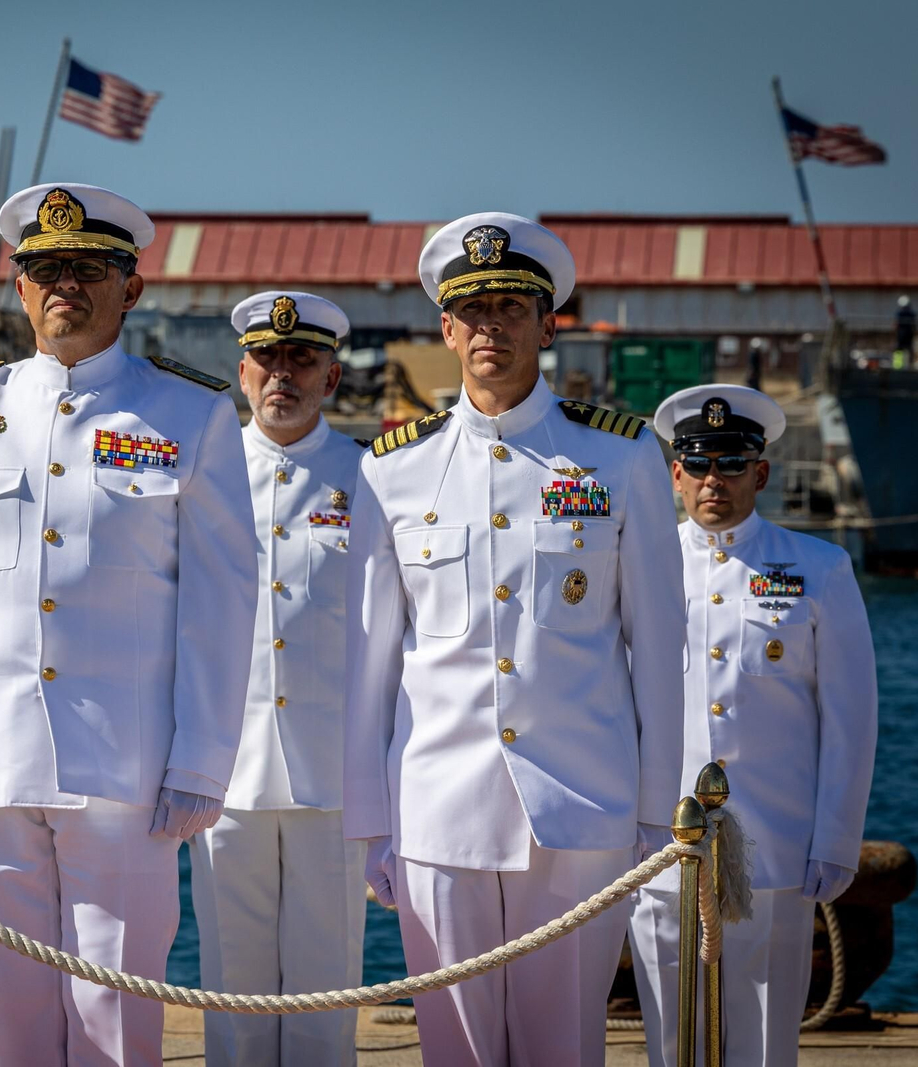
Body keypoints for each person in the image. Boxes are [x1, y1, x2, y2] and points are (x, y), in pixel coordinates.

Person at [0, 183, 257, 1067]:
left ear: (130, 287)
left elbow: (222, 602)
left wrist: (202, 759)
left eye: (89, 269)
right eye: (46, 268)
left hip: (125, 771)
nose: (66, 287)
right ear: (19, 286)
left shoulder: (190, 415)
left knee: (115, 1021)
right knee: (12, 1020)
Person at [343, 212, 686, 1066]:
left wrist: (655, 817)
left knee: (563, 1049)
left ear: (547, 322)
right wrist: (370, 824)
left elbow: (661, 654)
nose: (492, 325)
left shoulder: (622, 458)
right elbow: (370, 664)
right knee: (453, 1052)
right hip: (437, 815)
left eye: (511, 306)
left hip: (582, 814)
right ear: (446, 327)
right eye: (474, 310)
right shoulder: (392, 467)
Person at [629, 385, 877, 1067]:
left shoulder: (819, 570)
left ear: (760, 473)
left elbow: (851, 719)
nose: (715, 480)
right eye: (699, 463)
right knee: (672, 1040)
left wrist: (835, 839)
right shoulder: (638, 566)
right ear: (674, 472)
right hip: (659, 848)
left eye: (732, 463)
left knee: (765, 1041)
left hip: (774, 845)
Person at [187, 291, 367, 1067]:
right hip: (225, 769)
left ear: (331, 376)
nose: (282, 374)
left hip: (333, 773)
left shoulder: (373, 478)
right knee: (233, 992)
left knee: (327, 990)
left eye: (302, 360)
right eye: (268, 359)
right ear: (242, 372)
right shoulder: (203, 470)